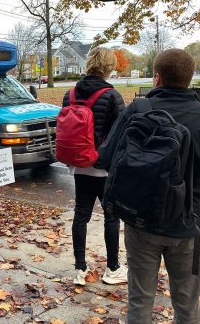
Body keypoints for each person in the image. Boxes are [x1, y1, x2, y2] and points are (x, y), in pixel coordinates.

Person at [98, 49, 200, 323]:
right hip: (188, 223)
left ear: (156, 77)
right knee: (186, 303)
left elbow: (106, 159)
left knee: (139, 300)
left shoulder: (134, 113)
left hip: (140, 221)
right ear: (189, 79)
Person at [61, 47, 127, 286]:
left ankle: (80, 268)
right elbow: (122, 134)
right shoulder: (112, 96)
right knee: (111, 217)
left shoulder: (70, 93)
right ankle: (113, 269)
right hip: (104, 167)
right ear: (109, 67)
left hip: (79, 164)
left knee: (81, 215)